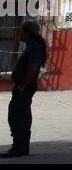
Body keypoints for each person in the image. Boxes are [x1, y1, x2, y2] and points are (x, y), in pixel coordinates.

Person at [3, 20, 47, 159]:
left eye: (22, 31)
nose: (20, 34)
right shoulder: (32, 46)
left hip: (25, 86)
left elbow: (33, 68)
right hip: (24, 85)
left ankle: (19, 147)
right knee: (21, 114)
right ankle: (21, 146)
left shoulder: (34, 47)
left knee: (17, 116)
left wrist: (22, 85)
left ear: (29, 33)